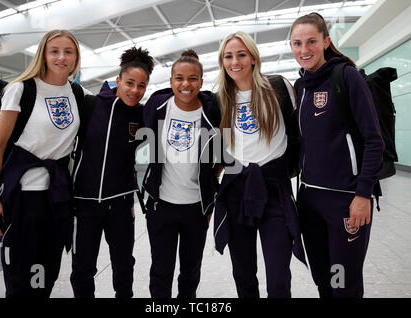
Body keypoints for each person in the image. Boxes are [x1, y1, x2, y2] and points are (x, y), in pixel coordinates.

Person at [0, 29, 89, 298]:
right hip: (21, 198)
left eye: (69, 51)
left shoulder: (77, 94)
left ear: (76, 57)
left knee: (46, 275)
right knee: (19, 279)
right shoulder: (21, 89)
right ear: (43, 54)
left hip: (56, 199)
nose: (61, 57)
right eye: (54, 51)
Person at [289, 12, 384, 298]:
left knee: (343, 283)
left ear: (326, 41)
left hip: (346, 201)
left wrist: (363, 194)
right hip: (309, 201)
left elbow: (373, 140)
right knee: (322, 278)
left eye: (311, 42)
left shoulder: (347, 77)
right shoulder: (300, 87)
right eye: (296, 43)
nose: (304, 50)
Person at [212, 31, 306, 298]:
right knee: (243, 274)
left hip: (273, 190)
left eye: (241, 54)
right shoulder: (220, 99)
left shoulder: (279, 87)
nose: (235, 61)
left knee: (278, 276)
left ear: (253, 58)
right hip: (236, 191)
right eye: (228, 56)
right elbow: (220, 148)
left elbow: (299, 132)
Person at [70, 47, 154, 298]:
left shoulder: (141, 115)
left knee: (124, 265)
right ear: (117, 80)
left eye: (141, 85)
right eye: (129, 83)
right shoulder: (91, 104)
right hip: (84, 203)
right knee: (83, 267)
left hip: (121, 203)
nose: (135, 90)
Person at [141, 50, 220, 298]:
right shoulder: (157, 106)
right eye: (179, 78)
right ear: (171, 81)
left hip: (196, 209)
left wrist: (209, 193)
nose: (185, 84)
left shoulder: (212, 113)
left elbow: (223, 159)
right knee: (161, 272)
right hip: (161, 206)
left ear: (201, 82)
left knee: (190, 273)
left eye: (192, 78)